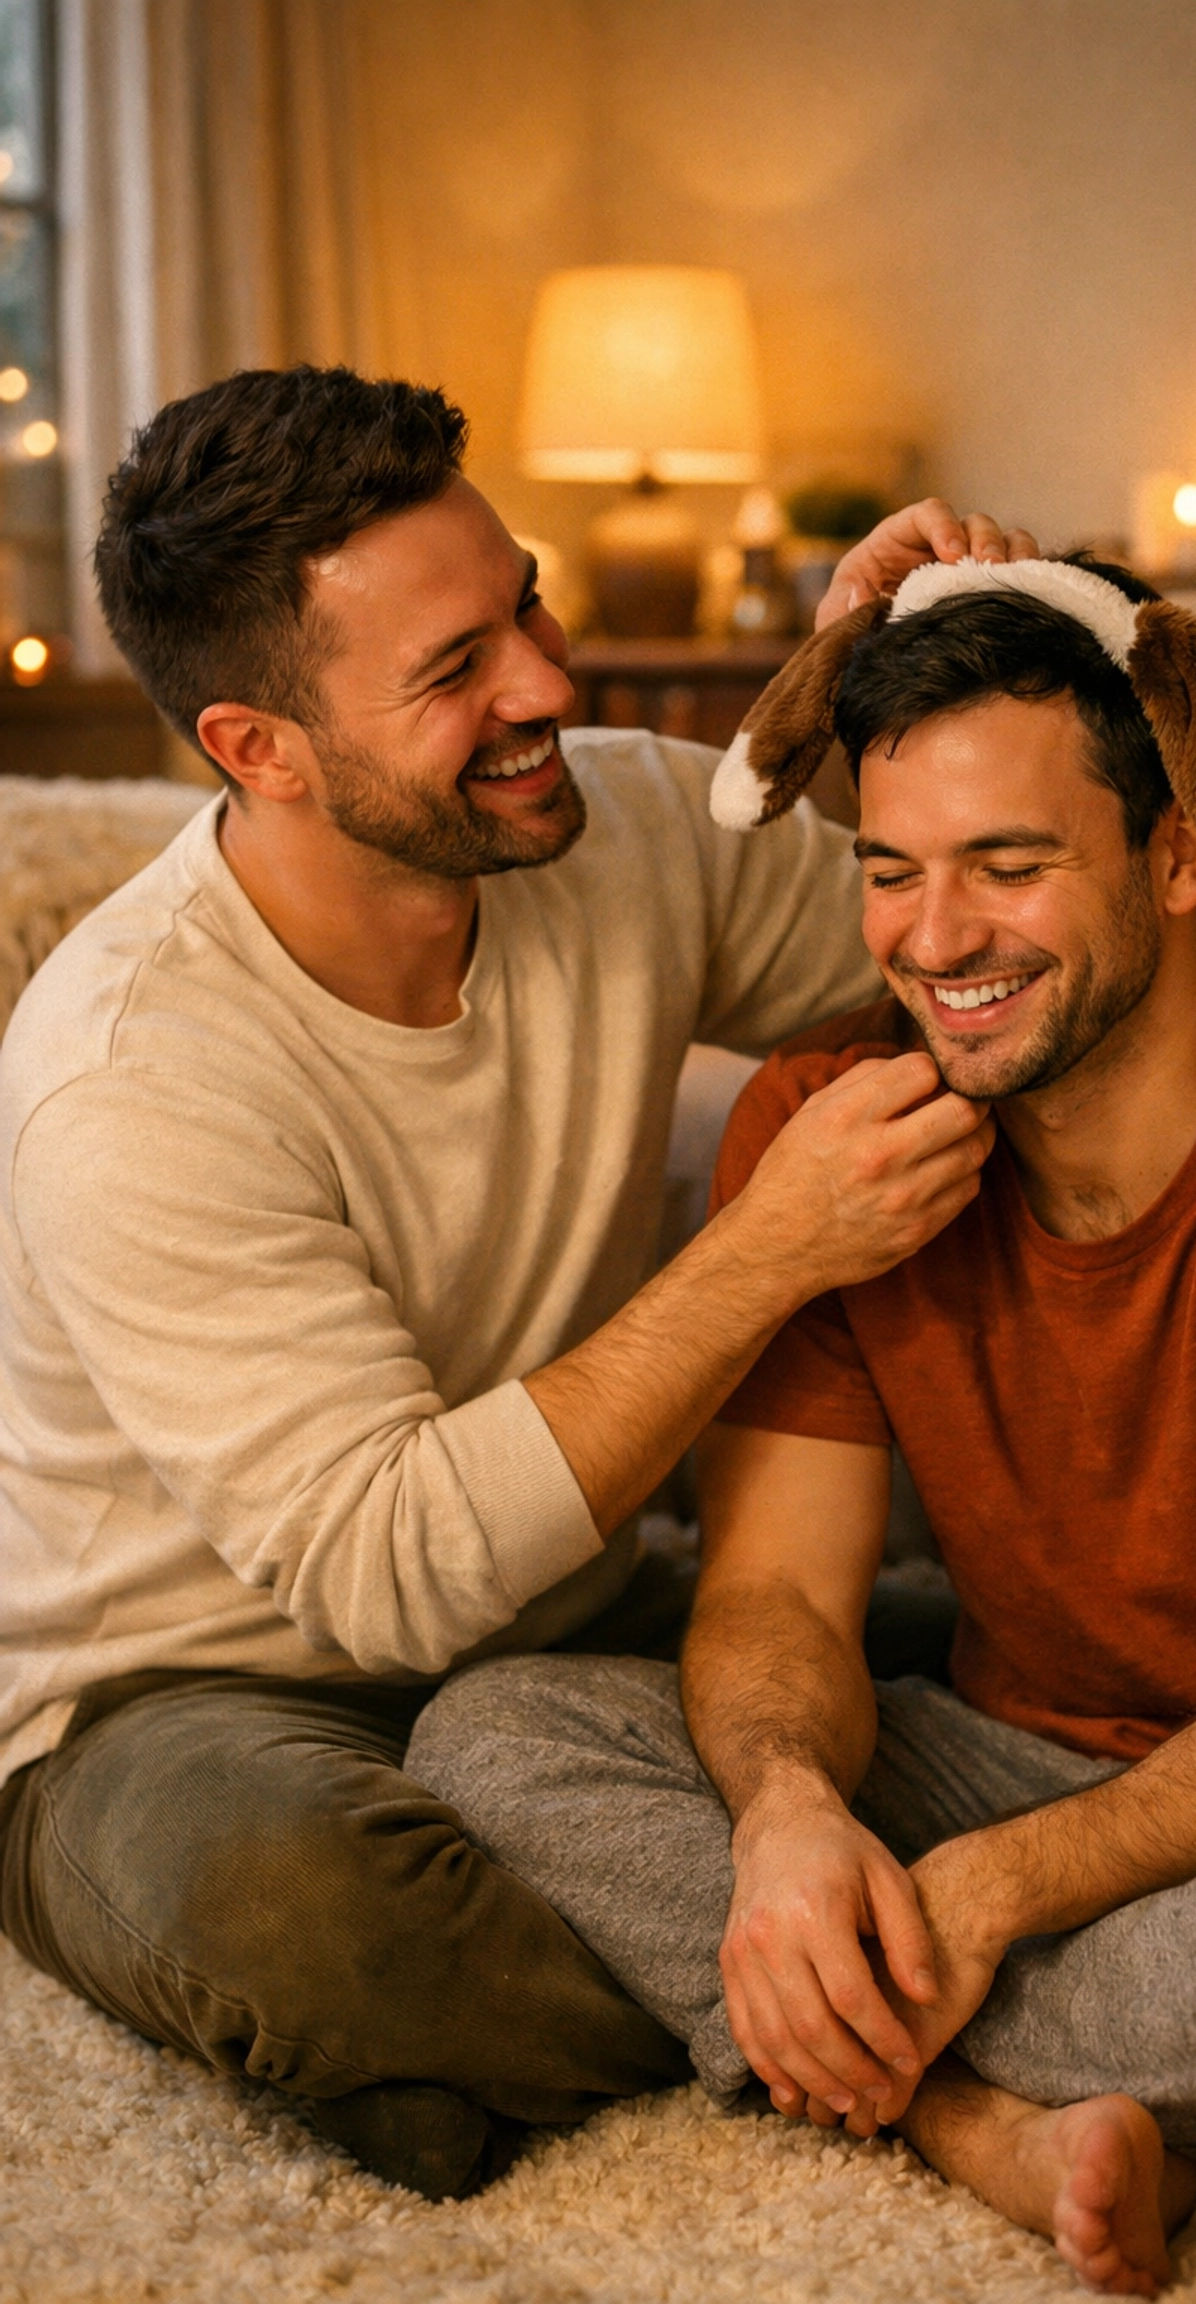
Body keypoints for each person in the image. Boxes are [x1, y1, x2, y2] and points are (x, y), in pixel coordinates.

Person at [408, 555, 1196, 2292]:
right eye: (891, 870)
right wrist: (788, 1816)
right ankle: (977, 2124)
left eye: (1010, 867)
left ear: (1177, 856)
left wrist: (982, 1895)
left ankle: (843, 2031)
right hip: (1013, 1745)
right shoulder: (833, 1125)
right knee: (495, 1734)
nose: (937, 941)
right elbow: (779, 1599)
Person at [0, 360, 1038, 2197]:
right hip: (179, 1703)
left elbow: (950, 939)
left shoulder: (613, 824)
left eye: (525, 606)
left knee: (1026, 1671)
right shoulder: (131, 1079)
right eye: (452, 670)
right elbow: (392, 1575)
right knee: (308, 1920)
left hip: (559, 1626)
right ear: (258, 747)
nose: (548, 684)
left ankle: (545, 2049)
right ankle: (939, 2018)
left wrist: (883, 684)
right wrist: (769, 1241)